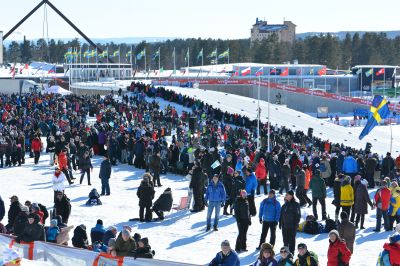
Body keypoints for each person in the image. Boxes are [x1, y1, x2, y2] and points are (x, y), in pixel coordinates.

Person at [280, 190, 301, 255]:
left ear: (291, 196)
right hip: (284, 225)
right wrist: (280, 223)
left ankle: (291, 252)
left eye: (287, 194)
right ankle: (285, 252)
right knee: (285, 240)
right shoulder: (284, 205)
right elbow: (281, 215)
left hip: (292, 226)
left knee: (291, 240)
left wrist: (295, 224)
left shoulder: (296, 204)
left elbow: (298, 215)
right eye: (286, 195)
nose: (286, 196)